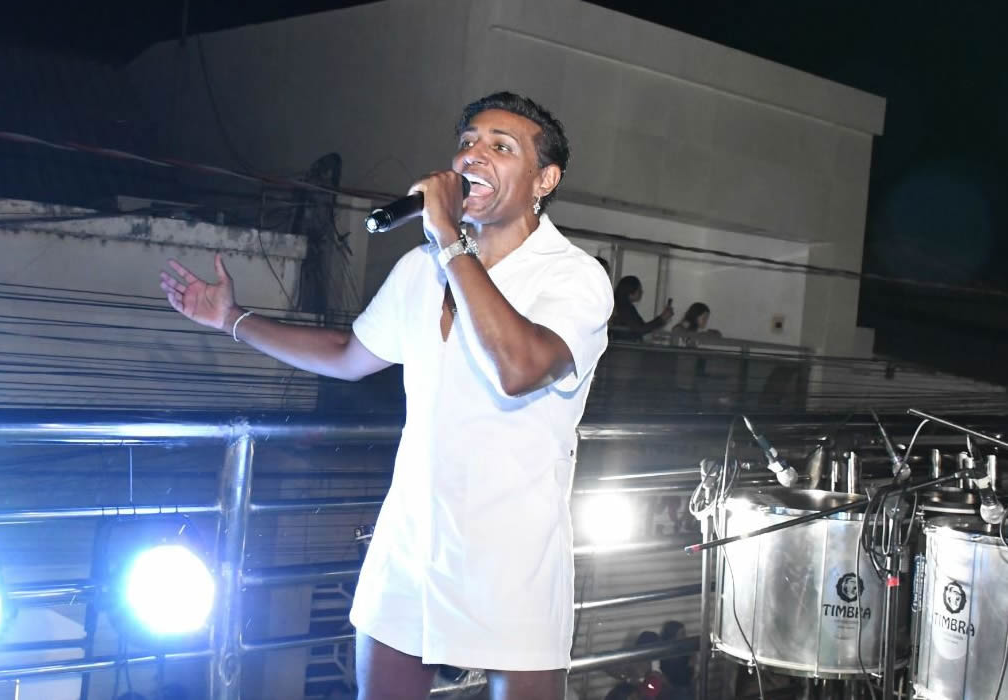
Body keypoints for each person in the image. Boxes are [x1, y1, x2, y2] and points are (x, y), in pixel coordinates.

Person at [159, 92, 613, 700]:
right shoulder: (423, 268)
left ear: (544, 180)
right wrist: (233, 320)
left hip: (513, 558)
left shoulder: (572, 275)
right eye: (467, 142)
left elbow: (519, 367)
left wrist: (449, 239)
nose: (473, 156)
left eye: (501, 147)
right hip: (411, 542)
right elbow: (349, 355)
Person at [610, 276, 672, 341]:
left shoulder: (623, 306)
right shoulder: (624, 307)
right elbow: (639, 329)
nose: (642, 292)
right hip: (624, 345)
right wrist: (661, 318)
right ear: (630, 292)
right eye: (639, 290)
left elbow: (640, 327)